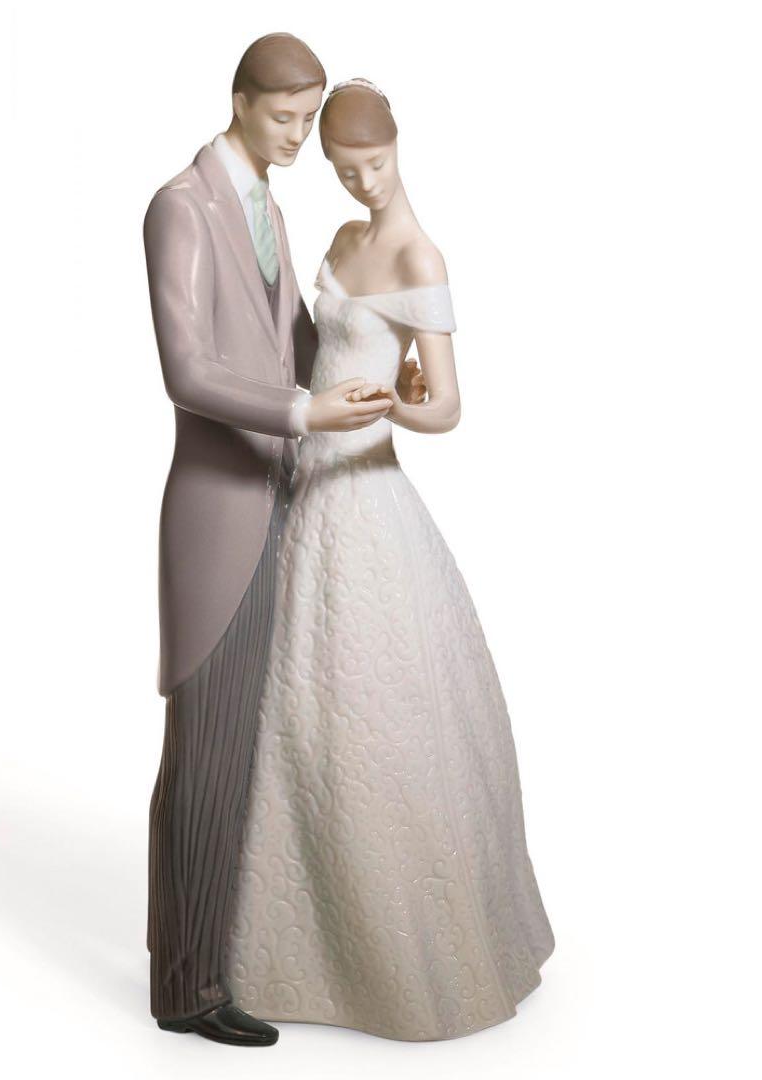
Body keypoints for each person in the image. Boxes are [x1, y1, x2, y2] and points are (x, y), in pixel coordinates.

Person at [225, 78, 555, 1041]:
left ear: (398, 146)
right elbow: (312, 355)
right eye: (344, 170)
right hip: (306, 489)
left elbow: (447, 406)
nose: (364, 183)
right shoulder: (338, 243)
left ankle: (413, 957)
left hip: (367, 491)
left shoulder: (419, 255)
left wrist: (387, 405)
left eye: (374, 164)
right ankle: (305, 942)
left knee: (382, 711)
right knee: (300, 714)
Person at [142, 41, 424, 1047]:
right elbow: (188, 369)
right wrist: (305, 412)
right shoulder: (181, 207)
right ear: (238, 101)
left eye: (309, 119)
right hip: (216, 515)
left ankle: (207, 959)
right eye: (283, 118)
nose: (300, 137)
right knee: (205, 753)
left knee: (241, 755)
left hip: (282, 502)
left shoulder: (267, 204)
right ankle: (185, 989)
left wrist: (377, 363)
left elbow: (294, 339)